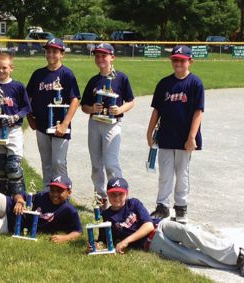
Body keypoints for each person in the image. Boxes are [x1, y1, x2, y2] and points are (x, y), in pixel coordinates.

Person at [91, 177, 244, 276]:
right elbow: (104, 240)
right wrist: (96, 245)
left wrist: (126, 241)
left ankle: (238, 256)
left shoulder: (134, 203)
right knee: (193, 257)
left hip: (161, 227)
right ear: (108, 195)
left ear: (127, 193)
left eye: (120, 194)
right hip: (153, 244)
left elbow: (149, 226)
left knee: (192, 233)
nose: (117, 198)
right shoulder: (107, 216)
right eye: (113, 194)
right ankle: (233, 265)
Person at [146, 45, 205, 223]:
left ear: (190, 61)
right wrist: (149, 132)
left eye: (182, 60)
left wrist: (192, 137)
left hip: (185, 138)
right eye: (175, 59)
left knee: (182, 173)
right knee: (165, 173)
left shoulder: (195, 83)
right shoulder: (164, 83)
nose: (178, 63)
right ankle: (162, 206)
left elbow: (198, 111)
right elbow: (156, 110)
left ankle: (181, 207)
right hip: (165, 135)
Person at [80, 43, 134, 204]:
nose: (100, 58)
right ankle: (100, 197)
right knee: (96, 164)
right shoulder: (94, 81)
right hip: (95, 123)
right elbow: (84, 106)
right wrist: (92, 108)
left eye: (104, 55)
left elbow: (131, 101)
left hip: (112, 124)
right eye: (97, 55)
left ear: (112, 57)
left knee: (111, 163)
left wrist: (119, 109)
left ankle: (119, 197)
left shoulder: (121, 78)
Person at [26, 38, 80, 189]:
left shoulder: (67, 74)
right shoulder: (38, 74)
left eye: (55, 51)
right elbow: (26, 97)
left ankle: (63, 193)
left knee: (58, 162)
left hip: (60, 127)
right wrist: (29, 117)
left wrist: (65, 123)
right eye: (48, 51)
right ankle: (47, 192)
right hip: (41, 124)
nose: (50, 54)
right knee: (46, 163)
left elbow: (75, 99)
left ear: (62, 54)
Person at [0, 53, 31, 196]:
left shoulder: (18, 86)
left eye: (4, 68)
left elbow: (26, 107)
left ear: (11, 68)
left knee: (13, 166)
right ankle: (3, 200)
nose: (1, 71)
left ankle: (20, 199)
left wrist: (16, 117)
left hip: (13, 130)